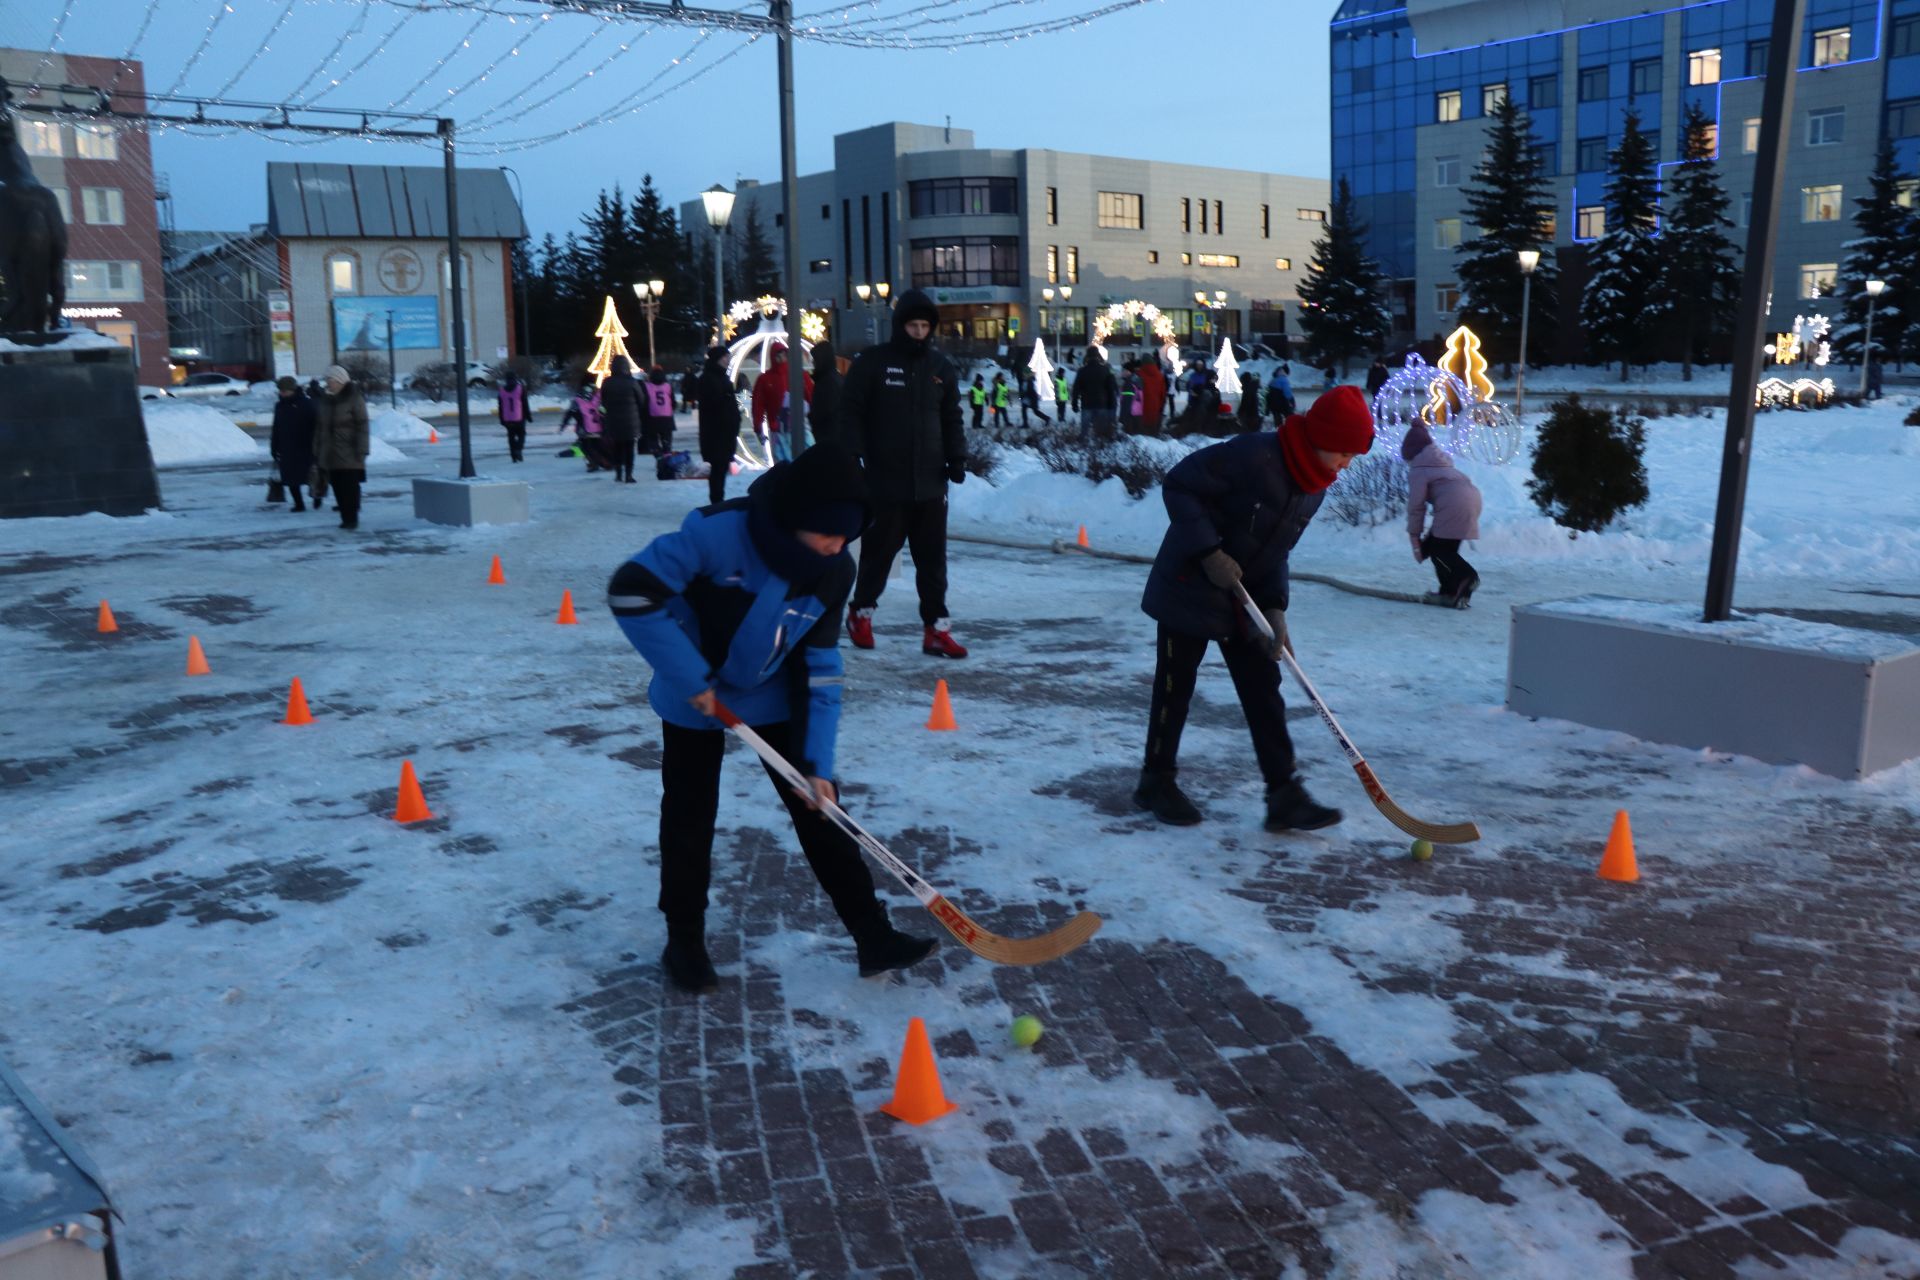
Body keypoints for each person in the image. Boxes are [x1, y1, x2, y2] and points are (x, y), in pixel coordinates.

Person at [606, 443, 938, 992]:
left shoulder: (834, 569)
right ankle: (683, 939)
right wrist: (694, 683)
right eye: (829, 533)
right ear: (796, 518)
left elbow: (822, 664)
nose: (837, 548)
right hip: (694, 693)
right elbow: (632, 593)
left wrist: (817, 763)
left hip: (772, 692)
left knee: (822, 811)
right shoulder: (716, 535)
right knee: (690, 817)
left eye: (846, 538)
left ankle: (872, 934)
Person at [1134, 385, 1376, 832]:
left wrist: (1276, 608)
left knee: (1265, 686)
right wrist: (1209, 553)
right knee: (1175, 687)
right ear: (1321, 438)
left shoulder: (1313, 487)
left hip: (1245, 597)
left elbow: (1275, 550)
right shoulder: (1253, 456)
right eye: (1344, 452)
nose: (1346, 465)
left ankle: (1283, 793)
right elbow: (1180, 485)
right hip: (1189, 584)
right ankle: (1156, 781)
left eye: (1353, 456)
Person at [838, 287, 969, 659]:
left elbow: (952, 416)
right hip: (887, 480)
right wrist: (853, 455)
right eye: (912, 325)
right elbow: (851, 411)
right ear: (899, 326)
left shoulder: (940, 368)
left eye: (925, 326)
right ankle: (861, 613)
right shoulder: (874, 362)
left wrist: (957, 458)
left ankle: (936, 629)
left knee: (932, 561)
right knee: (879, 555)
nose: (919, 332)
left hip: (930, 482)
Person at [1403, 420, 1483, 606]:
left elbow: (1416, 506)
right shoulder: (1443, 465)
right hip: (1472, 499)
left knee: (1440, 552)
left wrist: (1414, 536)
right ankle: (1453, 592)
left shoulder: (1419, 469)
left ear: (1411, 455)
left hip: (1453, 503)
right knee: (1442, 548)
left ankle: (1468, 576)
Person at [313, 364, 370, 530]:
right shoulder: (325, 399)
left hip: (349, 451)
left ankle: (351, 518)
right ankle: (345, 517)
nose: (328, 382)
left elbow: (363, 426)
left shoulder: (354, 398)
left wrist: (362, 449)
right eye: (327, 379)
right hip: (329, 452)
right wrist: (316, 447)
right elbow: (319, 427)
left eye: (330, 379)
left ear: (340, 380)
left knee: (349, 486)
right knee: (337, 485)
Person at [696, 346, 741, 507]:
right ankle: (716, 501)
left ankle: (717, 500)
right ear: (717, 359)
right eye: (725, 357)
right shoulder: (710, 379)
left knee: (720, 468)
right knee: (718, 467)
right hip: (717, 431)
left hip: (724, 431)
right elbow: (714, 406)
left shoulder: (720, 377)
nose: (728, 360)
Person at [752, 343, 813, 463]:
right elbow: (758, 405)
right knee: (785, 464)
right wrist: (758, 426)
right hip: (778, 429)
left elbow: (810, 396)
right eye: (778, 355)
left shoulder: (799, 374)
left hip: (799, 427)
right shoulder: (765, 379)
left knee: (803, 462)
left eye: (783, 354)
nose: (781, 358)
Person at [269, 376, 315, 512]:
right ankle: (299, 504)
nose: (282, 393)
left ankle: (317, 497)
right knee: (290, 478)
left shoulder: (307, 404)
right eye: (280, 391)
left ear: (293, 390)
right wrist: (274, 447)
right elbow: (276, 427)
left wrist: (315, 445)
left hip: (305, 446)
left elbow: (316, 426)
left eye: (284, 391)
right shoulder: (280, 406)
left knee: (311, 476)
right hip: (287, 448)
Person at [600, 355, 643, 483]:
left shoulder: (607, 382)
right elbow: (641, 400)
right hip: (631, 421)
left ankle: (618, 474)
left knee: (617, 448)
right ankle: (628, 475)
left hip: (613, 421)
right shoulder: (632, 382)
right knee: (630, 449)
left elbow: (603, 400)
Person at [557, 381, 609, 472]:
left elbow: (570, 414)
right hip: (599, 429)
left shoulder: (577, 401)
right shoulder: (598, 398)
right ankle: (606, 463)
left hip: (584, 430)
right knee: (599, 446)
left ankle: (593, 463)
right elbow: (605, 413)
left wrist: (563, 426)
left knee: (587, 448)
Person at [1071, 347, 1118, 440]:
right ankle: (1101, 448)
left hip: (1086, 404)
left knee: (1084, 431)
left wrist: (1074, 404)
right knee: (1101, 431)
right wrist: (1112, 404)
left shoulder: (1082, 371)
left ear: (1087, 356)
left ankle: (1082, 447)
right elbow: (1110, 389)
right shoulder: (1105, 370)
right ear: (1098, 356)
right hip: (1102, 404)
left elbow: (1076, 389)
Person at [810, 341, 842, 451]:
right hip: (833, 439)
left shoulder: (826, 382)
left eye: (815, 359)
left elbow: (824, 412)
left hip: (828, 440)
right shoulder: (835, 379)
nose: (812, 362)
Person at [644, 364, 677, 458]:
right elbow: (673, 401)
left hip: (652, 417)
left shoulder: (647, 386)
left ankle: (658, 456)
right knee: (666, 440)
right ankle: (667, 456)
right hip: (667, 417)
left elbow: (644, 401)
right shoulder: (668, 386)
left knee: (653, 440)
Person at [497, 369, 529, 463]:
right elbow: (525, 403)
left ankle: (514, 457)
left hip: (507, 418)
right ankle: (518, 449)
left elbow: (500, 406)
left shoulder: (502, 390)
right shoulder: (520, 388)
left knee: (511, 437)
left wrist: (501, 419)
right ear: (516, 378)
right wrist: (528, 416)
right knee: (521, 434)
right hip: (519, 417)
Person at [1138, 357, 1167, 431]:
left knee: (1144, 423)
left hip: (1143, 403)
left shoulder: (1139, 374)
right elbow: (1163, 393)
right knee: (1153, 421)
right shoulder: (1160, 375)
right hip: (1156, 403)